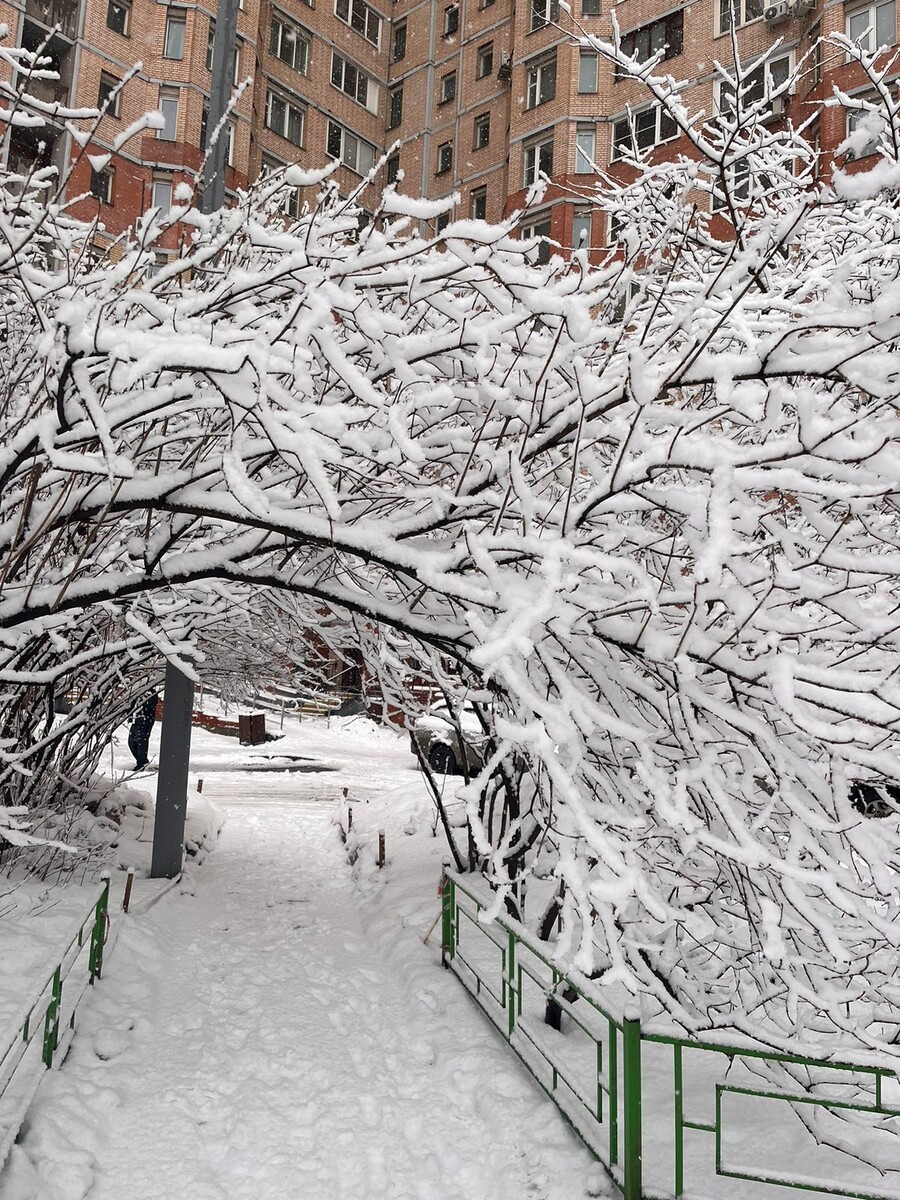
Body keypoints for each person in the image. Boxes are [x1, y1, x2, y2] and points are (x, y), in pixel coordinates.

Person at [128, 691, 159, 769]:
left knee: (141, 741)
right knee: (131, 742)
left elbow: (150, 706)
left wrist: (142, 701)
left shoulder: (151, 693)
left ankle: (141, 763)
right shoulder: (138, 691)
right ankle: (142, 760)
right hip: (136, 720)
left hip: (145, 721)